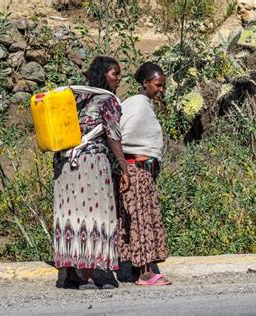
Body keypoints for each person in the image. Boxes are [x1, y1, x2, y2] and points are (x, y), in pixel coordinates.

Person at [53, 56, 129, 290]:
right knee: (95, 215)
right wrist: (123, 167)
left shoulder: (75, 98)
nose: (119, 79)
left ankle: (72, 273)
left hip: (64, 165)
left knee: (70, 215)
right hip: (92, 164)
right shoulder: (108, 100)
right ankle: (92, 275)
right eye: (115, 74)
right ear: (103, 75)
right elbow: (113, 135)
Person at [118, 62, 171, 286]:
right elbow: (125, 136)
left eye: (163, 86)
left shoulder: (139, 104)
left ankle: (132, 270)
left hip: (137, 171)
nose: (161, 90)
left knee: (135, 220)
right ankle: (146, 274)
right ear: (145, 83)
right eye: (158, 85)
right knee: (141, 221)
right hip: (135, 172)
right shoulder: (139, 106)